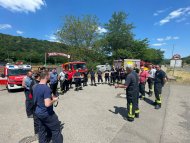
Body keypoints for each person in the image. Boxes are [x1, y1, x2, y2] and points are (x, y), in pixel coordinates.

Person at [33, 71, 63, 143]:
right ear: (46, 76)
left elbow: (39, 98)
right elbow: (47, 104)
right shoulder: (46, 88)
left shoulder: (35, 86)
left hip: (38, 112)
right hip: (46, 113)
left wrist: (50, 96)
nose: (50, 76)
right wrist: (54, 99)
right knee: (56, 129)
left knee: (42, 130)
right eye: (49, 75)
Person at [30, 72, 40, 137]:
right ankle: (37, 133)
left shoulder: (33, 82)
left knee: (36, 119)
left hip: (34, 102)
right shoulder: (35, 84)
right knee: (37, 119)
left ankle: (37, 133)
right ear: (38, 77)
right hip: (36, 103)